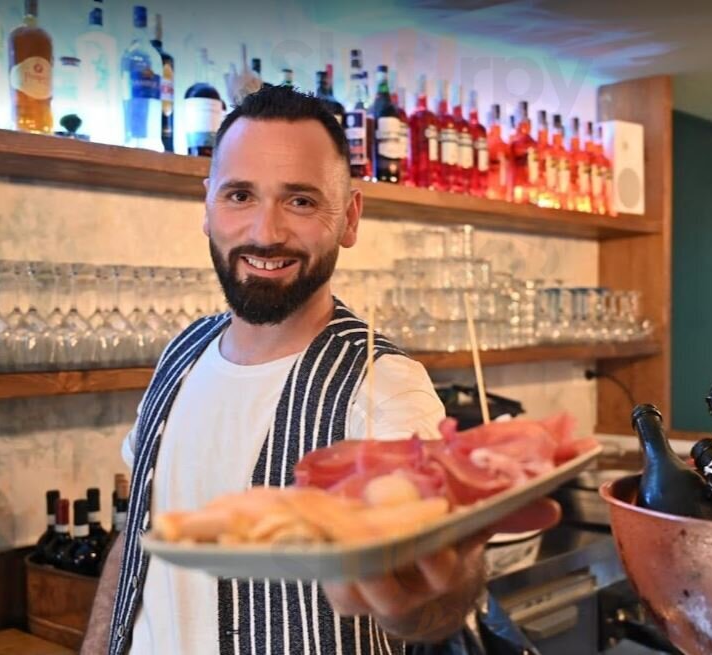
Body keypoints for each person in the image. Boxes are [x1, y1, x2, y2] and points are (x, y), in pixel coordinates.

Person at [81, 85, 556, 655]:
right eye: (239, 195)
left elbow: (439, 596)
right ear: (206, 207)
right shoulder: (181, 353)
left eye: (301, 201)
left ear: (349, 218)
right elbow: (136, 534)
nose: (265, 232)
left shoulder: (382, 384)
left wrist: (433, 591)